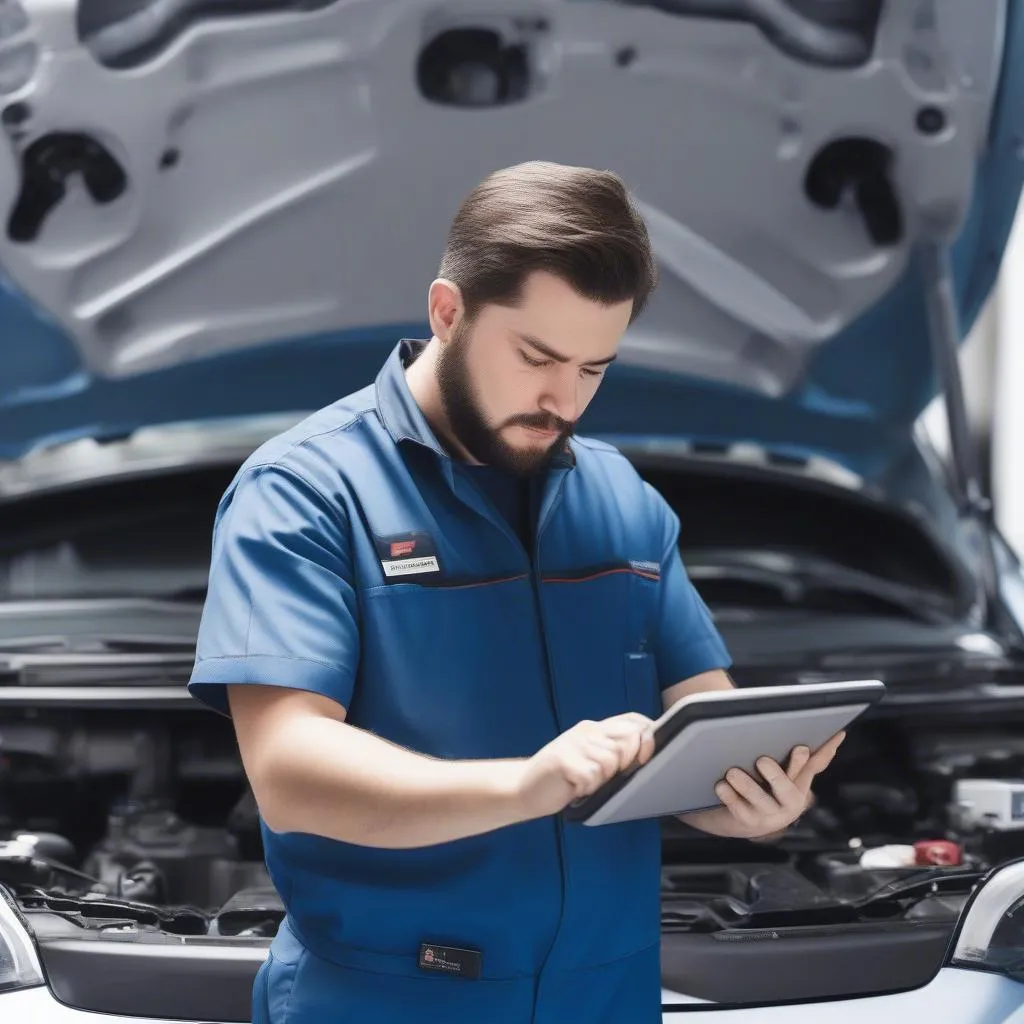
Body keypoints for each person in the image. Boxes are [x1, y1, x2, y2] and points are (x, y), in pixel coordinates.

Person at [186, 160, 845, 1024]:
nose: (562, 400)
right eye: (537, 357)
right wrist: (528, 785)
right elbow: (290, 770)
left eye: (594, 369)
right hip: (388, 1000)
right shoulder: (305, 492)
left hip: (608, 997)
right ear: (447, 312)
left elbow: (702, 726)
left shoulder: (626, 502)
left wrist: (754, 803)